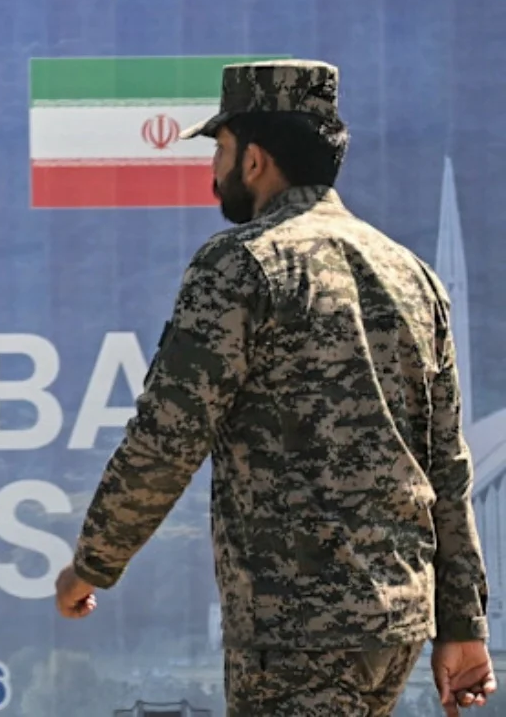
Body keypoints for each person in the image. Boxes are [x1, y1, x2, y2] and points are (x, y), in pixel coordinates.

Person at [52, 59, 497, 716]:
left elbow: (166, 439)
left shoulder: (241, 265)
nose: (213, 171)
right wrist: (464, 625)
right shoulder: (412, 276)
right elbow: (448, 468)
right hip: (395, 626)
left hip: (296, 633)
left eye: (221, 150)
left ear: (254, 159)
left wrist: (92, 563)